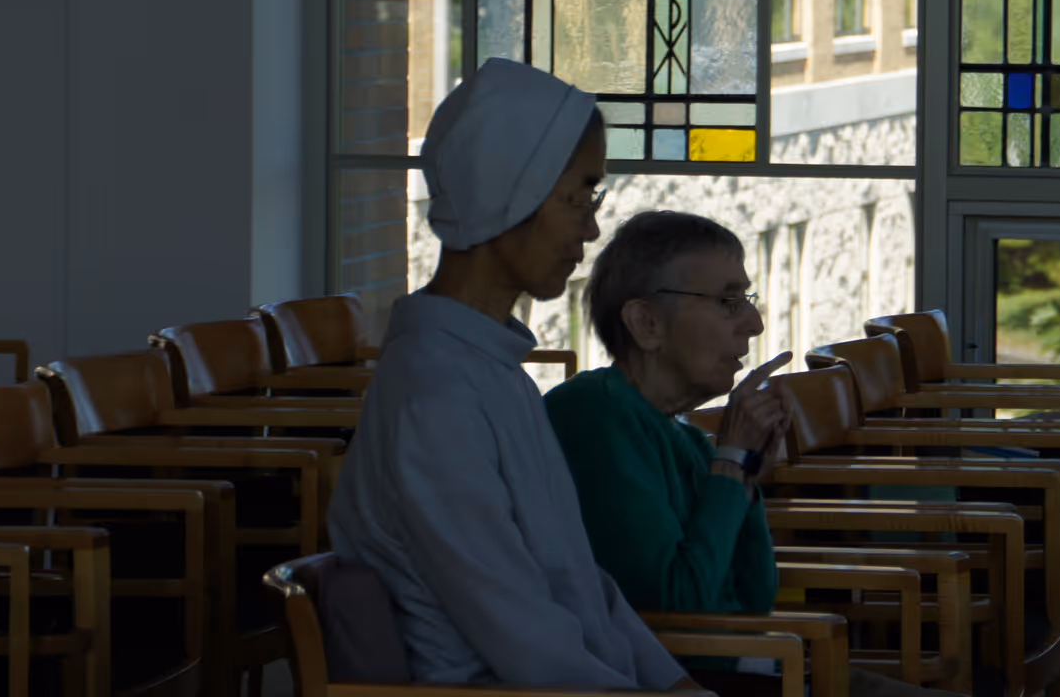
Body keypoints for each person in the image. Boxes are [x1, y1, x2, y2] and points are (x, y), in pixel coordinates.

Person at [328, 59, 696, 691]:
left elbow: (581, 587)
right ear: (509, 192)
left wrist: (675, 684)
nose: (592, 227)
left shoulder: (487, 372)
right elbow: (522, 636)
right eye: (579, 197)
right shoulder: (434, 395)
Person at [545, 210, 930, 697]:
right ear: (647, 323)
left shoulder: (681, 436)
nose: (754, 323)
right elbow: (683, 615)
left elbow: (751, 601)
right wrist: (728, 464)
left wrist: (745, 480)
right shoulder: (592, 415)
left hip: (761, 666)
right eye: (729, 302)